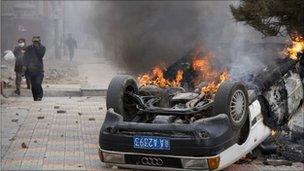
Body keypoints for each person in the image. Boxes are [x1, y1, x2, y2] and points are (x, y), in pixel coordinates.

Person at [24, 36, 46, 101]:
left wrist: (36, 48)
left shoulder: (42, 48)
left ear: (39, 41)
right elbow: (25, 57)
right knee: (33, 85)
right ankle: (35, 97)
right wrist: (25, 65)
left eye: (37, 41)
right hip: (31, 70)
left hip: (39, 69)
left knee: (38, 83)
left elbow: (41, 55)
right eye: (34, 42)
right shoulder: (29, 48)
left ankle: (40, 96)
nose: (35, 43)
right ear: (32, 41)